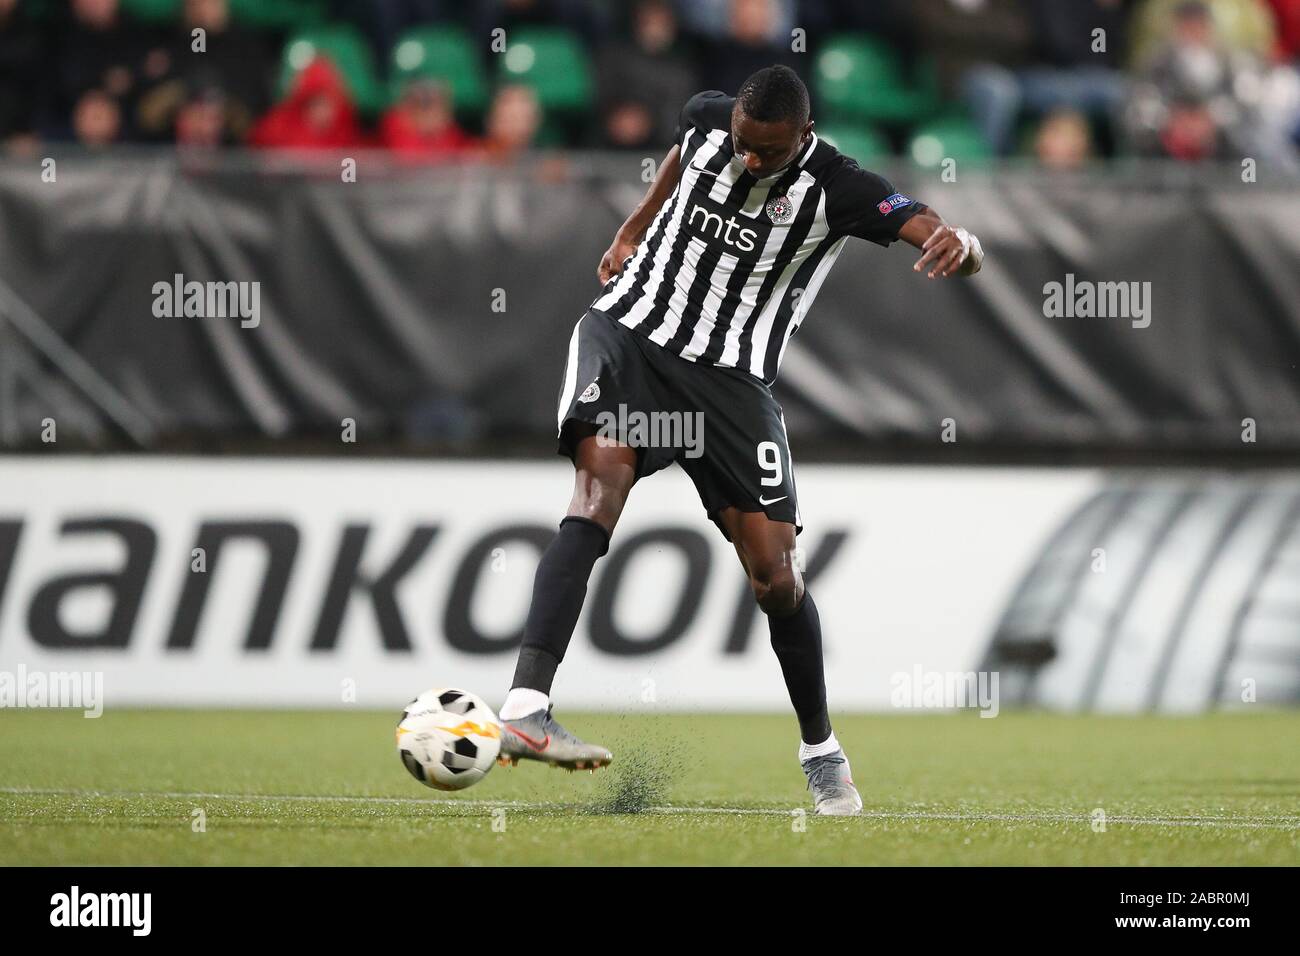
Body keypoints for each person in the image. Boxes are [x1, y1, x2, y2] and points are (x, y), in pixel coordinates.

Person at [494, 65, 984, 815]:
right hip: (632, 337)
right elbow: (684, 152)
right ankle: (526, 706)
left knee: (776, 578)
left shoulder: (838, 186)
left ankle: (821, 751)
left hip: (731, 387)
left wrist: (960, 244)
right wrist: (635, 225)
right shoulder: (709, 117)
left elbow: (921, 222)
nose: (748, 158)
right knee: (597, 493)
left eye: (767, 152)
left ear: (803, 137)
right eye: (741, 145)